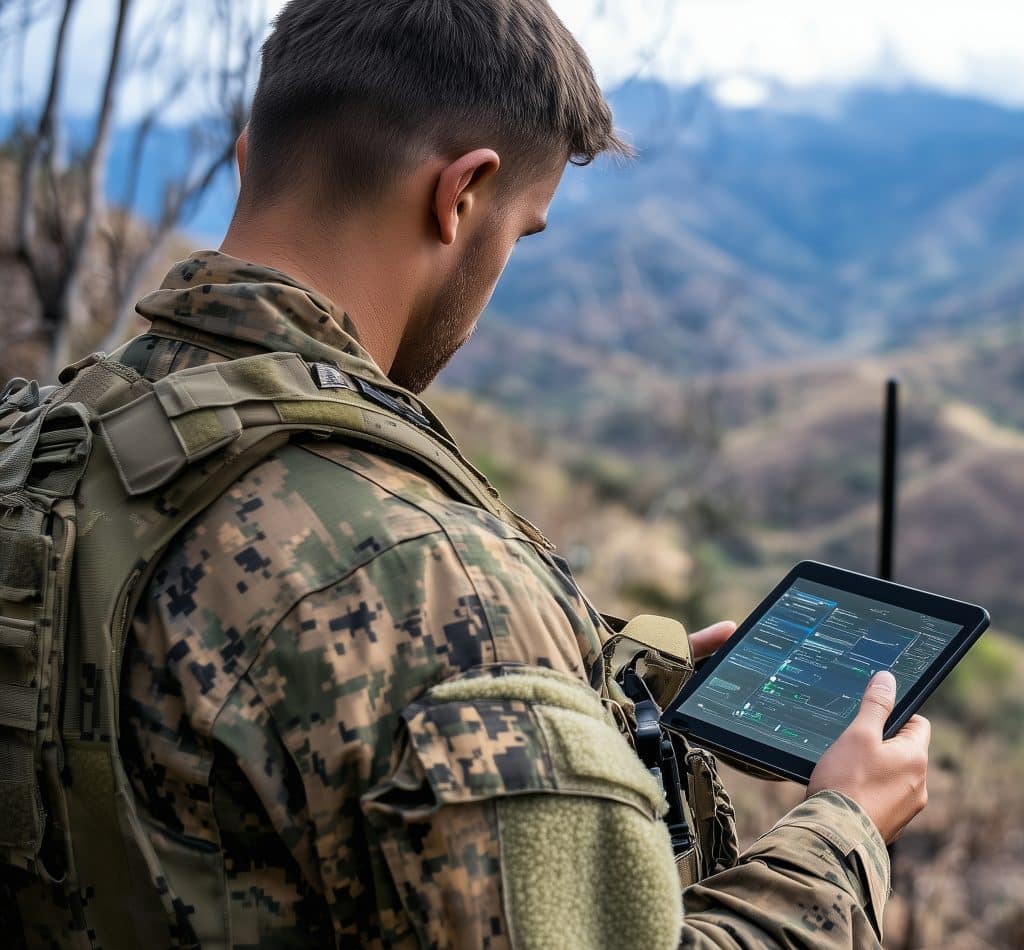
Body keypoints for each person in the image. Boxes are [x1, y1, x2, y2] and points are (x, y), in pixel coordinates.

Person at [17, 1, 929, 946]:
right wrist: (843, 832)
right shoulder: (435, 582)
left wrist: (592, 690)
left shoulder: (39, 447)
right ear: (461, 197)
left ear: (251, 157)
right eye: (521, 231)